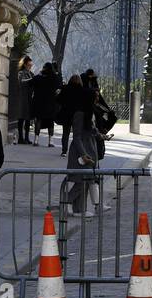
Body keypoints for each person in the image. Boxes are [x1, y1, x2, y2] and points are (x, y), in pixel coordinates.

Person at [66, 88, 101, 216]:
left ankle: (79, 209)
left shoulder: (89, 112)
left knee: (86, 180)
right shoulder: (80, 114)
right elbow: (77, 136)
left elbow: (91, 129)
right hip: (81, 151)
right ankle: (67, 202)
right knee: (82, 180)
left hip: (89, 149)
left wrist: (101, 135)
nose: (98, 99)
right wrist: (83, 154)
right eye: (96, 96)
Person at [31, 62, 61, 146]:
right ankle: (50, 141)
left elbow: (32, 82)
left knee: (38, 120)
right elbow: (59, 87)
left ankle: (36, 140)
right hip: (50, 103)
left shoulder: (39, 77)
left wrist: (40, 73)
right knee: (50, 121)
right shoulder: (55, 78)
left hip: (39, 102)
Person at [57, 74, 83, 156]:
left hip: (66, 113)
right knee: (77, 134)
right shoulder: (81, 90)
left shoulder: (65, 88)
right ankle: (78, 151)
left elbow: (58, 100)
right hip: (77, 114)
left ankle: (64, 151)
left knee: (65, 133)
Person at [16, 56, 34, 144]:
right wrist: (32, 80)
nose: (30, 66)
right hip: (23, 98)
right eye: (29, 64)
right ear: (25, 64)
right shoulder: (21, 73)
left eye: (31, 64)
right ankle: (20, 138)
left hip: (29, 98)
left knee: (28, 119)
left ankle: (26, 138)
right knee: (21, 118)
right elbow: (21, 82)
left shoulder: (31, 73)